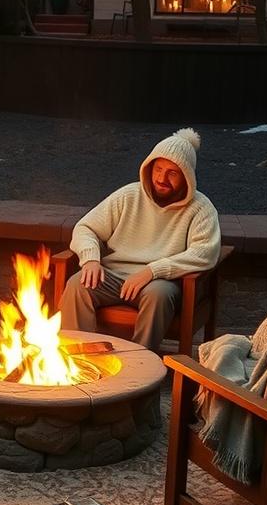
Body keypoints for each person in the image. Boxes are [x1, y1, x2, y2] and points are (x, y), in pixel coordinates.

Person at [58, 127, 221, 353]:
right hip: (114, 276)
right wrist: (91, 259)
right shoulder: (128, 195)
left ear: (187, 176)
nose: (162, 179)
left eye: (172, 172)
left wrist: (153, 270)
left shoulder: (201, 209)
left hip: (161, 282)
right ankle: (79, 357)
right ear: (149, 167)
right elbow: (86, 227)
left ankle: (142, 364)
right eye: (159, 169)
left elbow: (205, 253)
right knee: (78, 284)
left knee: (158, 295)